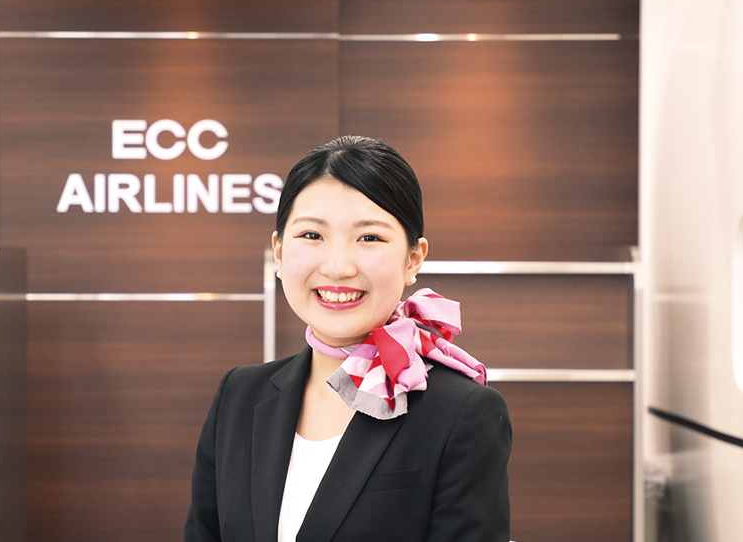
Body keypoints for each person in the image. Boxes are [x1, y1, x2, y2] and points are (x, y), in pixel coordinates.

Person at [185, 136, 512, 542]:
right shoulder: (238, 396)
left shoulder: (462, 413)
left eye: (369, 238)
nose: (337, 267)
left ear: (413, 259)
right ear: (279, 251)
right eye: (311, 235)